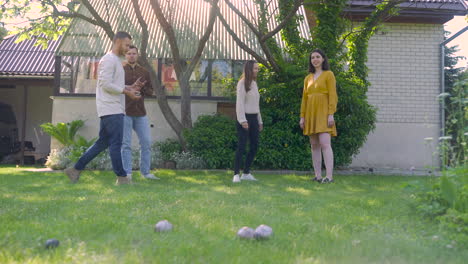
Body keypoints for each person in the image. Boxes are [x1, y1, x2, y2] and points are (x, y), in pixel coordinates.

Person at [64, 32, 144, 185]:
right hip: (111, 109)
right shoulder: (108, 60)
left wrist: (129, 87)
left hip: (110, 108)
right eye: (127, 45)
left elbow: (112, 84)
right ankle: (122, 178)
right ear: (118, 42)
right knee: (116, 143)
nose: (128, 49)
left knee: (102, 143)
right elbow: (105, 84)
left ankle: (75, 170)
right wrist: (126, 91)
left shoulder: (114, 60)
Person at [299, 49, 338, 183]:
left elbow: (333, 96)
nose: (315, 59)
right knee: (314, 145)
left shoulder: (329, 75)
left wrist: (331, 114)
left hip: (324, 113)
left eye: (317, 57)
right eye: (312, 58)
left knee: (325, 143)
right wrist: (302, 117)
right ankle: (318, 176)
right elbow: (304, 98)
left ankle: (329, 176)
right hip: (310, 113)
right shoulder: (307, 78)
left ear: (323, 59)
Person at [121, 45, 158, 180]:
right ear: (125, 55)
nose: (131, 56)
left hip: (141, 112)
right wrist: (129, 88)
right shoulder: (120, 70)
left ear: (137, 55)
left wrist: (141, 88)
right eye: (129, 53)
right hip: (124, 111)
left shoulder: (144, 72)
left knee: (146, 142)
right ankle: (127, 173)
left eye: (134, 53)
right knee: (126, 144)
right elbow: (116, 89)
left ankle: (146, 173)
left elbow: (150, 91)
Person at [233, 60, 263, 183]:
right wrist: (242, 120)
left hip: (254, 118)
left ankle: (246, 172)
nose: (257, 71)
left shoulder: (254, 84)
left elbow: (257, 105)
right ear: (249, 69)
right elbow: (239, 103)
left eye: (257, 69)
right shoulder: (242, 83)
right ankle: (236, 174)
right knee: (241, 146)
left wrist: (259, 121)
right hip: (244, 119)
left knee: (254, 146)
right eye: (255, 68)